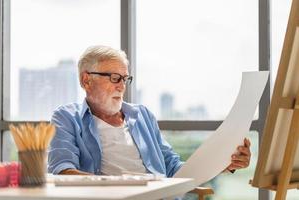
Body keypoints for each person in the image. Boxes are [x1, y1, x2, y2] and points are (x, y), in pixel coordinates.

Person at [48, 45, 251, 177]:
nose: (121, 86)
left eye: (125, 79)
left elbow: (172, 166)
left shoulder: (142, 115)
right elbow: (63, 171)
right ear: (86, 80)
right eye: (114, 78)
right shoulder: (66, 118)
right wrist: (121, 186)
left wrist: (222, 164)